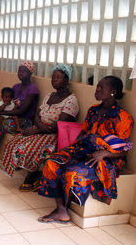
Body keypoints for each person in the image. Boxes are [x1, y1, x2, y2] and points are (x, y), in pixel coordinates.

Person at [38, 76, 133, 224]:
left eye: (102, 87)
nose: (98, 89)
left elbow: (124, 149)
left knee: (73, 172)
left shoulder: (123, 117)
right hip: (83, 150)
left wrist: (104, 153)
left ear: (113, 91)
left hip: (105, 158)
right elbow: (84, 133)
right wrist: (73, 149)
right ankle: (61, 210)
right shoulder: (93, 111)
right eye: (97, 86)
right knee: (52, 162)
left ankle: (65, 209)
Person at [0, 63, 79, 191]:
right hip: (40, 129)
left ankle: (33, 176)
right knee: (13, 142)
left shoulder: (71, 100)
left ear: (66, 80)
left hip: (54, 136)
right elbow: (37, 114)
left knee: (25, 148)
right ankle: (33, 173)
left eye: (58, 77)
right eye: (53, 77)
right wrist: (37, 125)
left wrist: (37, 128)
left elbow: (59, 125)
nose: (54, 80)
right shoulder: (49, 96)